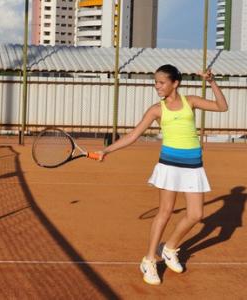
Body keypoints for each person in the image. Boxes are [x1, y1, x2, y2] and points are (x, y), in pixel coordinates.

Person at [96, 64, 228, 285]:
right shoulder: (156, 109)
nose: (157, 86)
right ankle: (149, 260)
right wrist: (106, 150)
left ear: (174, 83)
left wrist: (212, 82)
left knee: (196, 215)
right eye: (155, 82)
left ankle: (168, 248)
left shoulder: (191, 101)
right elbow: (133, 135)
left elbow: (222, 107)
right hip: (170, 165)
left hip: (193, 166)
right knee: (165, 212)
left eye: (161, 82)